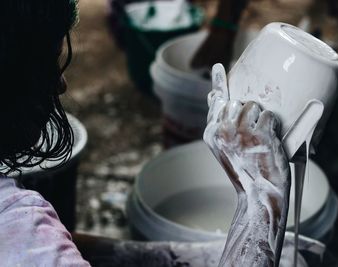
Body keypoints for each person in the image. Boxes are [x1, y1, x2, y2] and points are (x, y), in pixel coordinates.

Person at [0, 0, 320, 266]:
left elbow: (46, 248)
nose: (61, 85)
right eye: (46, 66)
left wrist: (174, 257)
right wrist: (261, 199)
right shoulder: (19, 223)